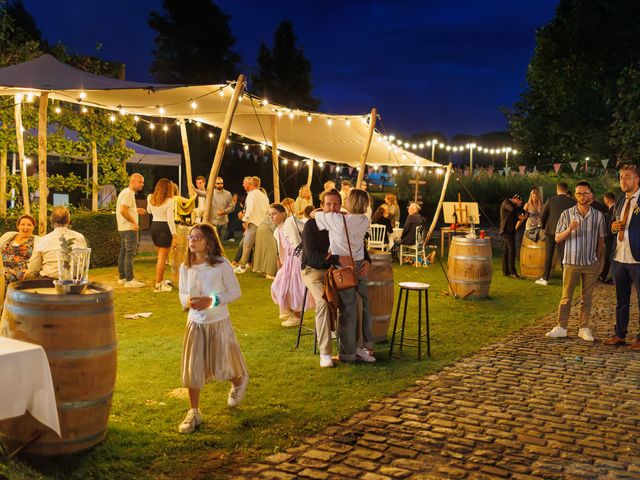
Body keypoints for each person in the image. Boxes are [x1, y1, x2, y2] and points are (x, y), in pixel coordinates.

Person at [177, 223, 249, 434]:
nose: (192, 240)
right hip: (195, 322)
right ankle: (193, 412)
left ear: (209, 242)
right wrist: (187, 301)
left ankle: (238, 381)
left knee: (223, 365)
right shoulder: (186, 267)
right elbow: (181, 294)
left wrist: (213, 300)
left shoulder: (221, 264)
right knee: (193, 369)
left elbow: (235, 292)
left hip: (218, 322)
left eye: (197, 237)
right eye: (191, 237)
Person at [311, 188, 375, 363]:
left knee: (348, 309)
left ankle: (347, 354)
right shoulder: (365, 219)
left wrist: (324, 210)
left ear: (350, 202)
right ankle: (367, 346)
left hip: (343, 268)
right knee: (364, 306)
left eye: (346, 199)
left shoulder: (336, 219)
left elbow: (313, 213)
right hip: (360, 265)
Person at [545, 181, 604, 342]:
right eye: (579, 193)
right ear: (575, 195)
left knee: (587, 298)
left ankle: (583, 328)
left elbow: (601, 241)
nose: (582, 196)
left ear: (590, 195)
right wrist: (569, 229)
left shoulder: (598, 216)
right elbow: (557, 238)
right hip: (571, 262)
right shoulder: (567, 214)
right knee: (566, 297)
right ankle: (561, 327)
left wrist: (598, 261)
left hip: (590, 263)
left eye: (585, 193)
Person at [301, 189, 341, 367]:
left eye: (336, 204)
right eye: (328, 204)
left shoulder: (342, 223)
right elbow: (313, 258)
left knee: (352, 299)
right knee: (324, 302)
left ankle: (352, 349)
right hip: (313, 272)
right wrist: (334, 258)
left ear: (340, 206)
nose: (332, 208)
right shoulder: (311, 224)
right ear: (322, 206)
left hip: (335, 271)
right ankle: (325, 353)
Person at [604, 164, 640, 350]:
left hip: (638, 259)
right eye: (620, 177)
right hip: (619, 257)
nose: (622, 181)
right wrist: (613, 228)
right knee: (621, 299)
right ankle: (620, 334)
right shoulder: (620, 200)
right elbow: (611, 224)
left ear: (637, 179)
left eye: (627, 177)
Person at [270, 204, 311, 326]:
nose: (271, 217)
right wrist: (281, 263)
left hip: (297, 259)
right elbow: (281, 249)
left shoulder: (291, 221)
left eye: (274, 213)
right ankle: (289, 311)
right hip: (288, 261)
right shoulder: (277, 231)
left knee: (295, 287)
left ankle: (297, 317)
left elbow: (305, 230)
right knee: (277, 285)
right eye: (270, 215)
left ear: (282, 213)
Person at [26, 206, 87, 279]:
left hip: (49, 284)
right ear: (68, 220)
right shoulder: (80, 237)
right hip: (75, 282)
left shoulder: (43, 240)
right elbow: (84, 262)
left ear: (51, 220)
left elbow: (33, 268)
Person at [536, 182, 576, 285]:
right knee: (564, 256)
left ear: (557, 189)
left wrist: (544, 227)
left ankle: (545, 279)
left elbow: (543, 216)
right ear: (566, 190)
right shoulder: (572, 202)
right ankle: (565, 279)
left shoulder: (551, 200)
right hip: (564, 232)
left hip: (551, 231)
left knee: (548, 256)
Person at [147, 178, 177, 292]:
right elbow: (170, 219)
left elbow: (149, 211)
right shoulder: (170, 201)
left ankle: (161, 280)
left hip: (154, 226)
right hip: (164, 228)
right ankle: (159, 284)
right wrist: (174, 235)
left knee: (160, 257)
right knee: (162, 258)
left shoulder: (150, 197)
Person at [117, 173, 146, 287]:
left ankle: (122, 277)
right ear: (132, 181)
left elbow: (126, 208)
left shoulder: (125, 192)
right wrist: (134, 222)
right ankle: (129, 280)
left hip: (123, 227)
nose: (142, 185)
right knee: (130, 253)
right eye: (140, 182)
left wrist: (136, 210)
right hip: (129, 228)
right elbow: (123, 210)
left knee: (123, 252)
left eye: (142, 182)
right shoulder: (129, 193)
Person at [235, 176, 270, 273]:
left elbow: (249, 209)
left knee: (247, 245)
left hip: (254, 223)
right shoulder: (264, 196)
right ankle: (259, 267)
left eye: (247, 183)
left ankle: (242, 267)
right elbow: (267, 211)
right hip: (263, 224)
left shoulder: (251, 195)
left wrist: (244, 220)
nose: (244, 185)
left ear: (251, 184)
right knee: (259, 246)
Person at [0, 214, 38, 287]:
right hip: (2, 267)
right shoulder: (9, 236)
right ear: (18, 226)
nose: (26, 227)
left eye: (29, 225)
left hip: (18, 272)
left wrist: (33, 271)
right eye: (23, 224)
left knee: (4, 277)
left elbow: (39, 259)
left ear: (33, 227)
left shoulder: (37, 240)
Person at [499, 194, 526, 278]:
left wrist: (523, 213)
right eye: (519, 201)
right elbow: (513, 210)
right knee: (512, 250)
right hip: (506, 231)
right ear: (515, 199)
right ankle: (513, 272)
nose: (520, 203)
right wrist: (521, 210)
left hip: (511, 231)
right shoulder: (507, 202)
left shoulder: (515, 207)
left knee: (507, 251)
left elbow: (519, 214)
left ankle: (505, 271)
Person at [252, 212, 278, 279]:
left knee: (264, 250)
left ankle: (263, 270)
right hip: (267, 229)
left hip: (262, 228)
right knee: (272, 251)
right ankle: (270, 274)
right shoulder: (282, 211)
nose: (293, 207)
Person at [598, 192, 616, 284]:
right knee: (608, 257)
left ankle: (611, 277)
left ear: (607, 200)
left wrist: (605, 238)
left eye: (605, 199)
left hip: (612, 238)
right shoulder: (612, 209)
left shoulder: (613, 210)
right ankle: (603, 275)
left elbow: (609, 226)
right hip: (610, 238)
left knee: (610, 257)